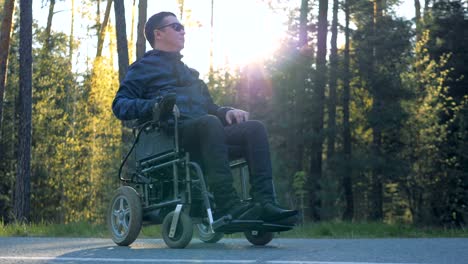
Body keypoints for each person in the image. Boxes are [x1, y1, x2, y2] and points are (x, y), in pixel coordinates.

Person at [112, 12, 296, 222]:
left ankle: (265, 203)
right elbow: (120, 105)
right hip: (171, 135)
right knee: (209, 123)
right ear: (158, 33)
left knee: (254, 128)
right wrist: (154, 105)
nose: (183, 30)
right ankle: (227, 205)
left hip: (208, 133)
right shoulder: (142, 68)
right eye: (176, 26)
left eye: (182, 27)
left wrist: (226, 111)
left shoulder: (191, 74)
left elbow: (209, 107)